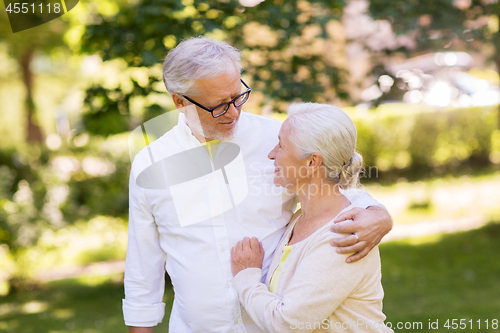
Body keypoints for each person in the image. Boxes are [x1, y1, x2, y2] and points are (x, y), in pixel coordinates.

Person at [124, 36, 392, 333]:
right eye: (219, 106)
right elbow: (142, 271)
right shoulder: (150, 166)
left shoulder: (276, 140)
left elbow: (331, 186)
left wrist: (377, 213)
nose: (234, 112)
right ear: (179, 101)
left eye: (238, 96)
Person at [230, 103, 393, 333]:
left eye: (281, 145)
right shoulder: (299, 219)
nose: (271, 153)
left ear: (312, 162)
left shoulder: (343, 236)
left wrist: (247, 279)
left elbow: (289, 324)